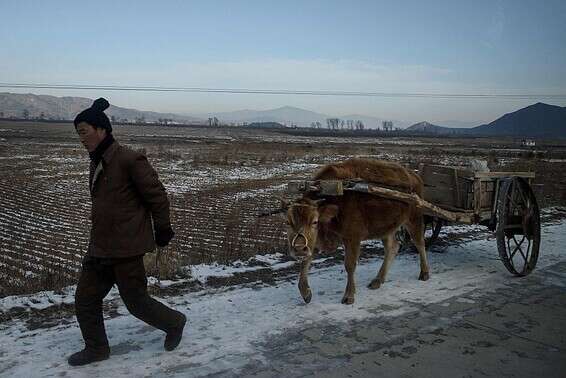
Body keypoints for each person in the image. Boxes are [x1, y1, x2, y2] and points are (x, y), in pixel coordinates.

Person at [68, 98, 186, 366]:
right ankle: (97, 349)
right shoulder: (97, 160)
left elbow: (157, 196)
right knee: (85, 300)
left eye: (83, 132)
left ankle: (175, 322)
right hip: (99, 246)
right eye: (78, 133)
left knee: (136, 302)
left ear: (102, 130)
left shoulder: (129, 159)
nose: (81, 138)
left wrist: (163, 228)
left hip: (126, 248)